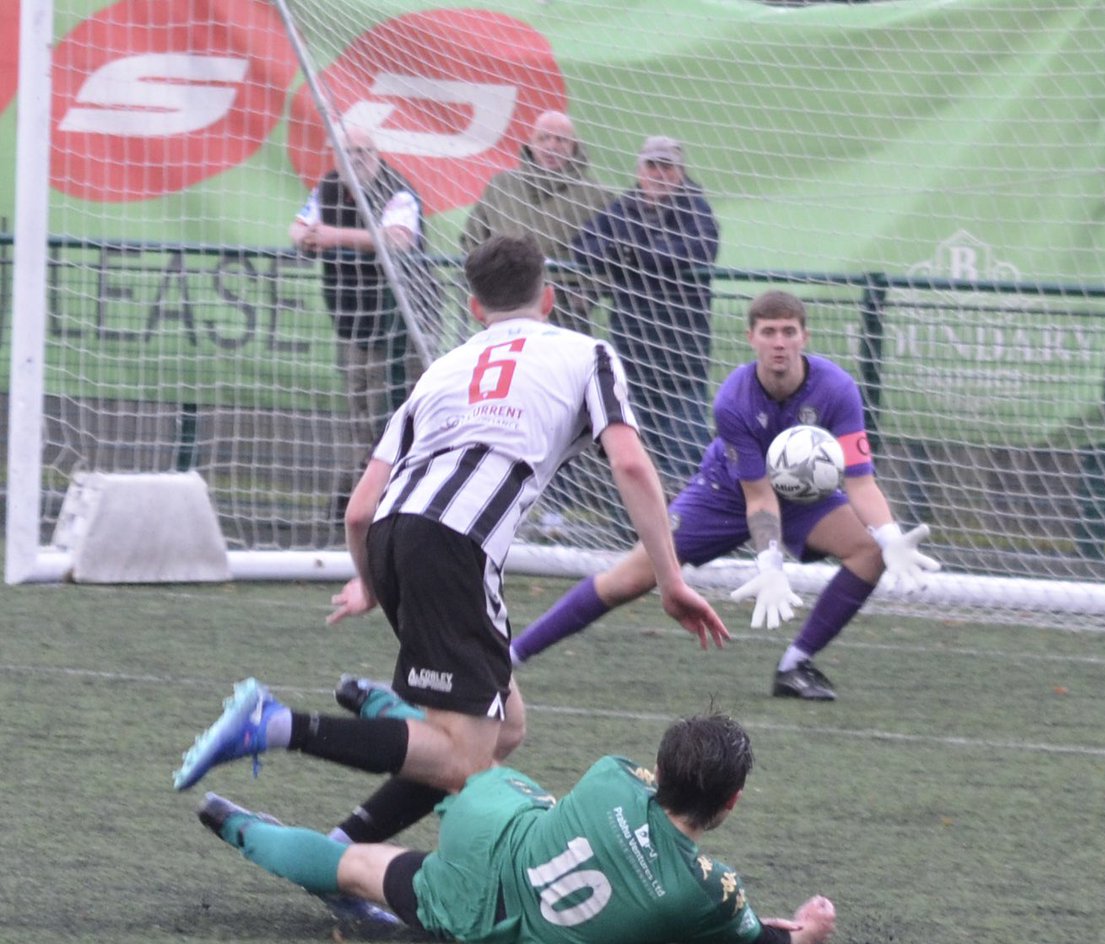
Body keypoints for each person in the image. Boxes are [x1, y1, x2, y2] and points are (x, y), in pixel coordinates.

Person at [174, 236, 729, 850]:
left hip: (391, 534)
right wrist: (671, 579)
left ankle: (344, 840)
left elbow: (359, 509)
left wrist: (373, 584)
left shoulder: (442, 368)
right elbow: (629, 464)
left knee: (505, 727)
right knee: (464, 759)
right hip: (455, 544)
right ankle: (275, 726)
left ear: (473, 308)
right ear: (548, 297)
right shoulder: (587, 352)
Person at [510, 290, 941, 702]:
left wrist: (889, 536)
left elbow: (861, 483)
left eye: (789, 332)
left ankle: (795, 665)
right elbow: (758, 497)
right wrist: (770, 561)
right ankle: (510, 655)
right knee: (630, 578)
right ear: (750, 336)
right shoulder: (733, 399)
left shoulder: (838, 389)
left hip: (803, 496)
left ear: (804, 338)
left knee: (869, 552)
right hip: (725, 493)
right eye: (769, 332)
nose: (779, 343)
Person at [192, 707, 837, 944]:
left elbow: (636, 801)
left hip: (494, 830)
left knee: (474, 765)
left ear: (661, 770)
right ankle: (231, 822)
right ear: (733, 801)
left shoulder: (614, 775)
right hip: (486, 914)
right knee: (355, 869)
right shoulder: (709, 894)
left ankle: (390, 715)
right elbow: (765, 942)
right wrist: (808, 928)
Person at [289, 123, 433, 518]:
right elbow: (299, 226)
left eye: (363, 152)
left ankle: (401, 497)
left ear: (376, 155)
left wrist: (335, 237)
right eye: (347, 152)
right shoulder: (329, 186)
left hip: (402, 324)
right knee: (358, 410)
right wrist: (308, 238)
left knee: (398, 409)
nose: (355, 160)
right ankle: (360, 495)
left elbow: (398, 238)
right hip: (351, 320)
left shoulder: (397, 189)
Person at [573, 135, 720, 484]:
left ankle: (686, 530)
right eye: (652, 165)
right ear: (639, 170)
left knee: (684, 453)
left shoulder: (696, 209)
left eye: (666, 166)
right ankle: (626, 526)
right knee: (632, 453)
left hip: (681, 355)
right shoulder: (622, 207)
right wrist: (622, 253)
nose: (658, 174)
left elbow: (698, 249)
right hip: (631, 352)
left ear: (680, 172)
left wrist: (633, 256)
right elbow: (583, 246)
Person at [461, 109, 611, 334]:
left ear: (575, 147)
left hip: (565, 314)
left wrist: (587, 294)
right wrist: (485, 284)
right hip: (502, 308)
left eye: (561, 140)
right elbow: (472, 238)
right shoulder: (501, 186)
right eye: (544, 138)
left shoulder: (597, 196)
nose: (551, 146)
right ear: (530, 144)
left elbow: (609, 252)